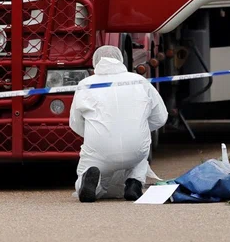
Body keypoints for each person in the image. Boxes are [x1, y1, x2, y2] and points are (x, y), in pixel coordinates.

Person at [69, 45, 168, 202]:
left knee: (88, 169)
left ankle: (88, 183)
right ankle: (134, 182)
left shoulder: (85, 85)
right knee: (141, 151)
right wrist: (140, 128)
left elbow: (75, 123)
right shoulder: (139, 81)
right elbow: (161, 117)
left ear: (95, 63)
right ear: (121, 60)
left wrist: (93, 133)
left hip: (99, 149)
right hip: (136, 148)